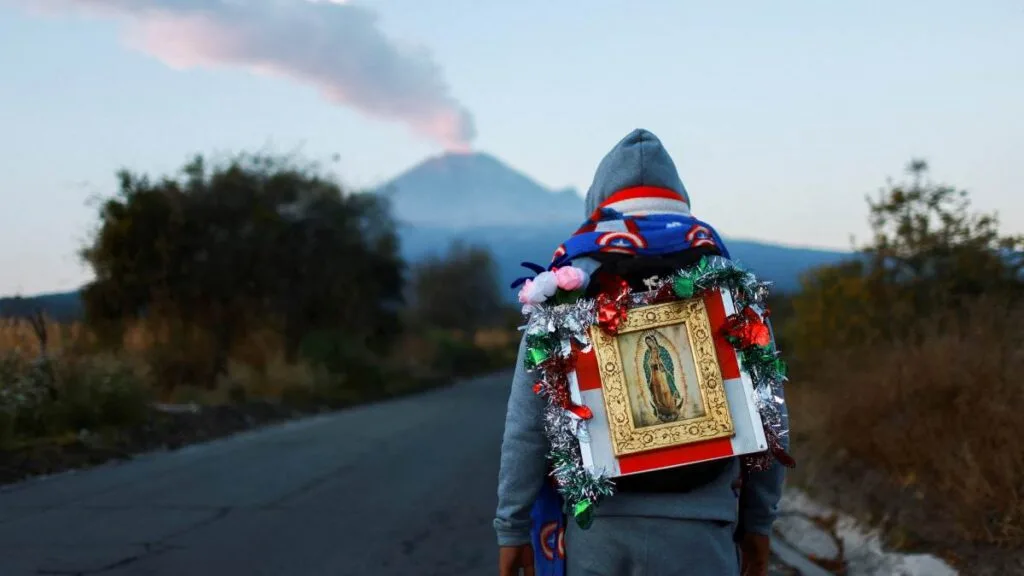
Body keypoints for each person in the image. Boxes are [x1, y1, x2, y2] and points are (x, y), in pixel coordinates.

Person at [495, 129, 787, 576]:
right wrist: (759, 524)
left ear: (598, 202)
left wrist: (512, 528)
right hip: (702, 535)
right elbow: (770, 421)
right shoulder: (731, 293)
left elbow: (527, 426)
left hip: (600, 534)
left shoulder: (563, 292)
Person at [642, 333, 683, 422]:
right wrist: (649, 364)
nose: (649, 344)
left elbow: (668, 361)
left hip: (662, 373)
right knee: (657, 391)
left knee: (666, 390)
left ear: (654, 341)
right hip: (654, 374)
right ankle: (662, 410)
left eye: (650, 342)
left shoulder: (662, 350)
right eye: (647, 343)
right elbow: (645, 365)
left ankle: (671, 409)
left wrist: (661, 364)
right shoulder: (647, 353)